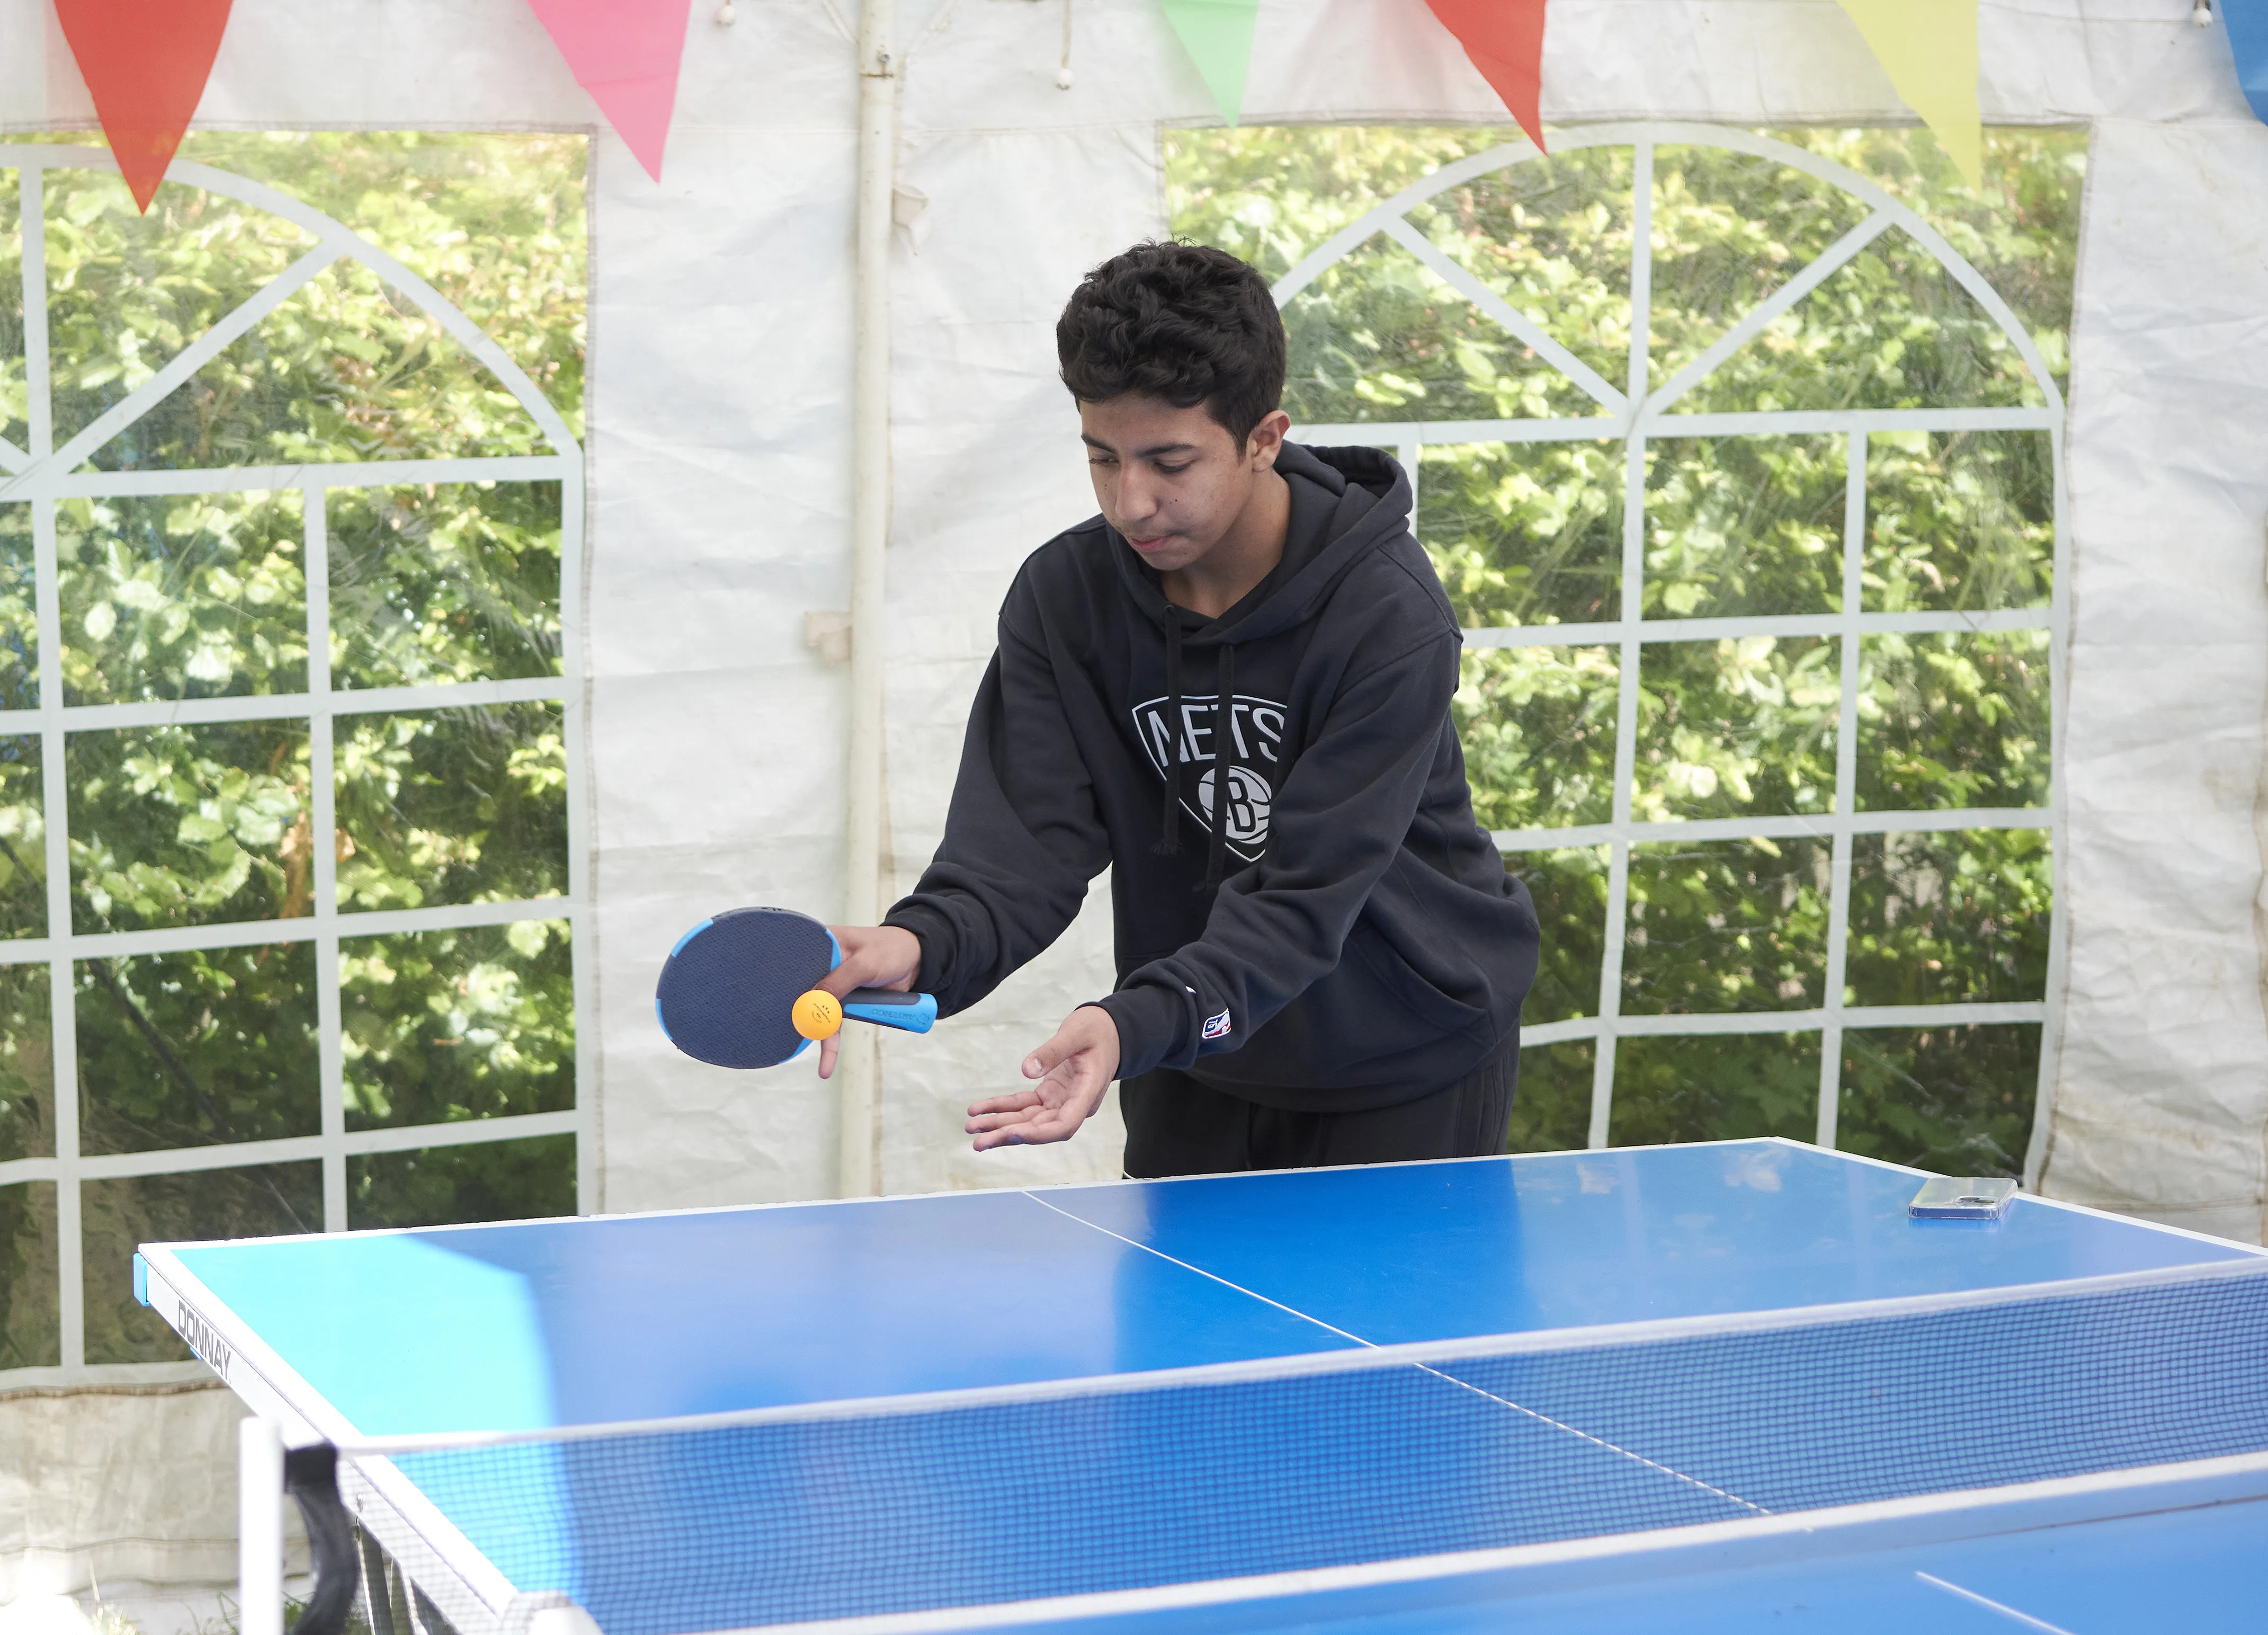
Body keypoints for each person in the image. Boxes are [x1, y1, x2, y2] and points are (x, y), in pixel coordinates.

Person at [816, 240, 1540, 1178]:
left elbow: (1302, 896)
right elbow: (1020, 851)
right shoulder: (1063, 598)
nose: (1130, 502)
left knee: (1382, 1334)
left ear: (1263, 438)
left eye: (1169, 462)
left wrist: (1137, 1017)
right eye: (1102, 458)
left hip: (1403, 1055)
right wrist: (921, 942)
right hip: (1193, 1049)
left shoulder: (1388, 615)